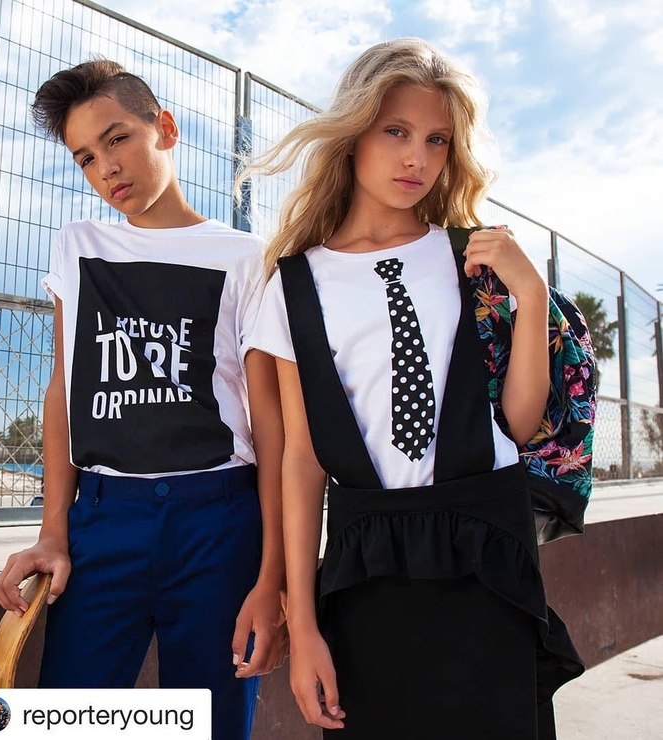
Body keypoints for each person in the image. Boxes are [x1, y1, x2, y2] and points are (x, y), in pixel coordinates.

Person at [247, 39, 583, 739]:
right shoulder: (295, 286)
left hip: (488, 544)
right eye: (396, 131)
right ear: (353, 133)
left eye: (437, 140)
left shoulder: (473, 257)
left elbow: (518, 424)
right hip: (366, 557)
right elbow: (302, 460)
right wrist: (303, 627)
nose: (417, 159)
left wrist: (530, 292)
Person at [0, 59, 286, 739]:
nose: (107, 169)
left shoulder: (245, 257)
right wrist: (53, 530)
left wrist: (273, 575)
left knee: (212, 723)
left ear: (166, 129)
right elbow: (64, 388)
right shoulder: (79, 245)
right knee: (67, 719)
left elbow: (270, 426)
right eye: (86, 158)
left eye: (117, 138)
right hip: (105, 520)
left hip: (220, 521)